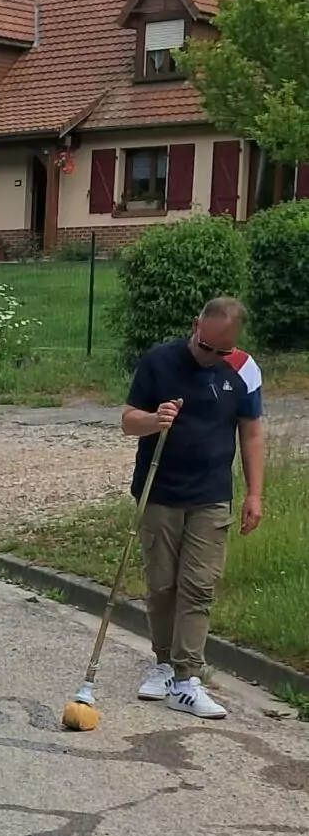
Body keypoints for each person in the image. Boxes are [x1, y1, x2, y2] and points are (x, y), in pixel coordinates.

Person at [122, 295, 265, 720]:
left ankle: (187, 678)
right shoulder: (159, 361)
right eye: (206, 346)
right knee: (162, 585)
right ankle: (164, 664)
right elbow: (128, 420)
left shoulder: (243, 370)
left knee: (199, 586)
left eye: (223, 350)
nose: (212, 356)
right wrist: (154, 420)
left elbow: (252, 433)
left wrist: (255, 493)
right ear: (195, 326)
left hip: (211, 495)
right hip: (159, 492)